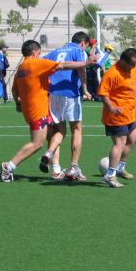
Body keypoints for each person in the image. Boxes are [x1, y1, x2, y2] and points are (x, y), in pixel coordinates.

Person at [0, 40, 88, 183]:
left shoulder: (21, 68)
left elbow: (14, 89)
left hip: (31, 110)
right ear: (34, 52)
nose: (40, 55)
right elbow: (63, 65)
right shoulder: (36, 63)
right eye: (39, 53)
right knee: (37, 143)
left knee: (55, 134)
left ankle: (56, 170)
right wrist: (86, 63)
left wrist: (18, 103)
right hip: (38, 111)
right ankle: (8, 166)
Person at [98, 48, 136, 188]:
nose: (134, 67)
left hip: (130, 114)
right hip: (116, 115)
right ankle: (110, 175)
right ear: (122, 61)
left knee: (133, 139)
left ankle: (120, 167)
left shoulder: (132, 69)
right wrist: (111, 108)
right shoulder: (112, 74)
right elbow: (103, 94)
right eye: (132, 64)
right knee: (119, 143)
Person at [40, 32, 91, 181]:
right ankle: (74, 167)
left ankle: (49, 153)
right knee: (76, 129)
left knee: (59, 130)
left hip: (53, 94)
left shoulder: (55, 52)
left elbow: (43, 66)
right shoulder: (78, 52)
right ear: (83, 43)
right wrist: (86, 90)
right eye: (86, 46)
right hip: (70, 94)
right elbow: (81, 69)